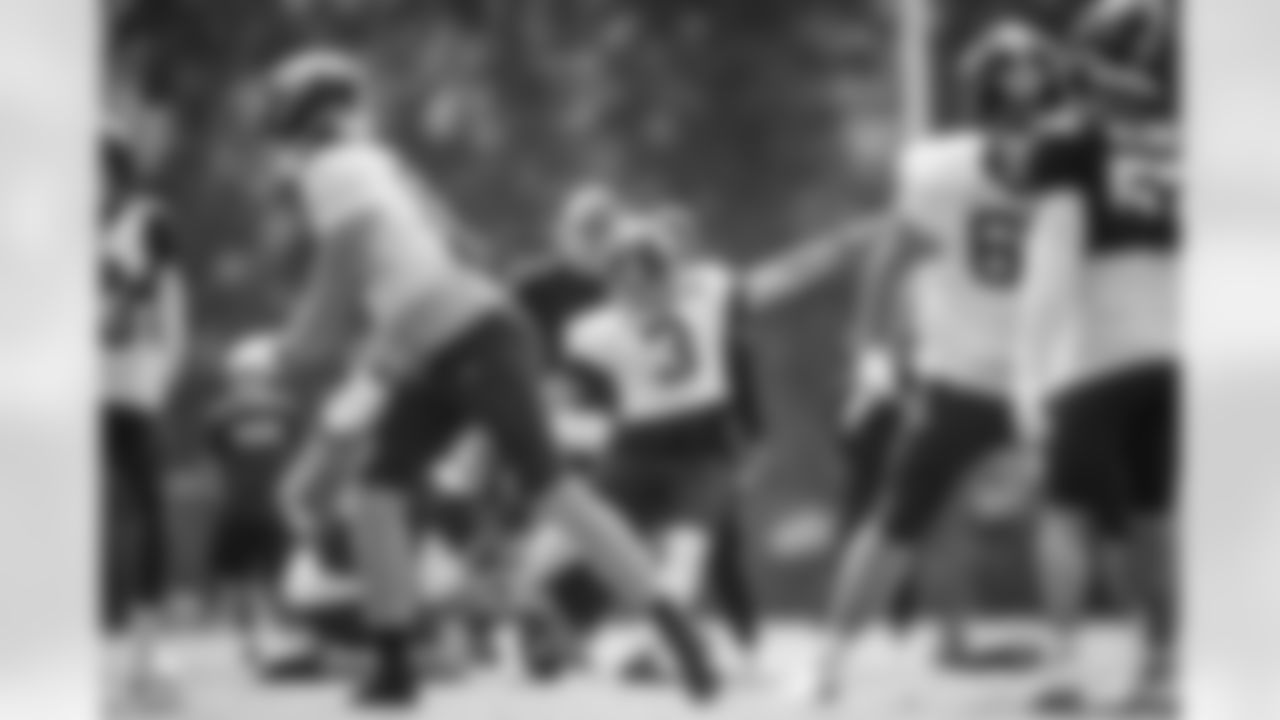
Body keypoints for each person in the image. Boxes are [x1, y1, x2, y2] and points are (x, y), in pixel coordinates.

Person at [233, 49, 720, 707]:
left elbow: (341, 276)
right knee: (377, 492)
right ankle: (396, 668)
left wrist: (284, 351)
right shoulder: (379, 163)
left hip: (473, 340)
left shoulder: (331, 169)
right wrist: (379, 355)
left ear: (295, 125)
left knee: (552, 491)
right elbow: (452, 254)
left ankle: (682, 637)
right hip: (451, 342)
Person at [792, 20, 1074, 703]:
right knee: (1075, 517)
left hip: (975, 376)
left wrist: (872, 355)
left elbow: (888, 264)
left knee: (897, 522)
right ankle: (1078, 665)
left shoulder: (941, 168)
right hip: (1029, 375)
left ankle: (831, 665)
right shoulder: (1077, 163)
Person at [1017, 0, 1180, 712]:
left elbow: (1055, 255)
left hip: (1099, 344)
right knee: (1154, 513)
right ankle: (1162, 667)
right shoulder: (1190, 140)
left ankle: (1063, 664)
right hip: (1181, 343)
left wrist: (1030, 370)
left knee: (1064, 509)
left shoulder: (1069, 138)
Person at [562, 211, 768, 682]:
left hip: (701, 445)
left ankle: (676, 648)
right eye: (625, 282)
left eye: (647, 278)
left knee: (693, 550)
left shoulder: (701, 295)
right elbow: (583, 407)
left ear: (667, 274)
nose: (638, 292)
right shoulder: (600, 328)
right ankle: (564, 634)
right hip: (639, 447)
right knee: (589, 544)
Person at [100, 134, 188, 710]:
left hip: (132, 386)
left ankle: (146, 651)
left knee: (144, 512)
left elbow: (172, 306)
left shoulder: (147, 220)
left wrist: (163, 377)